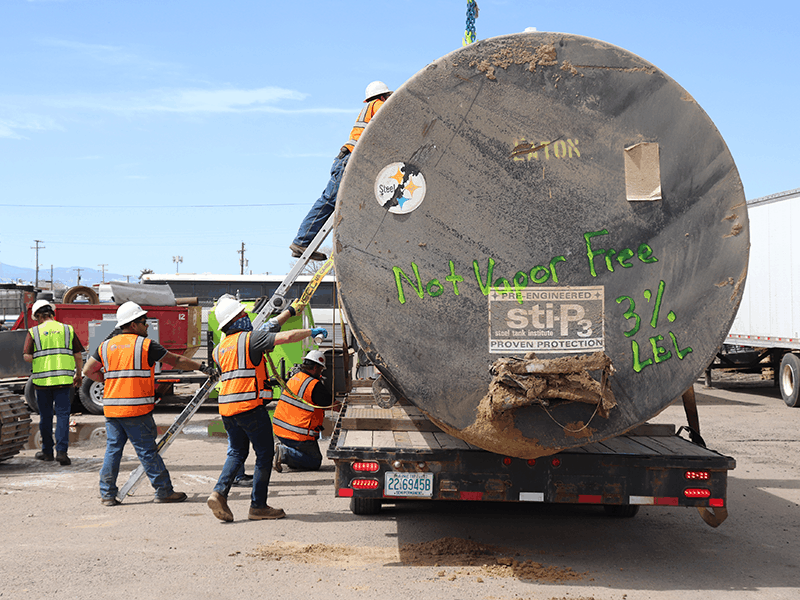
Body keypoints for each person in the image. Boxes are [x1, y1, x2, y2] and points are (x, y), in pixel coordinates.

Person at [206, 296, 328, 522]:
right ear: (236, 319)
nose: (246, 317)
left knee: (236, 452)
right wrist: (311, 332)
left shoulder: (220, 349)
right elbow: (287, 336)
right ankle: (258, 506)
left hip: (227, 410)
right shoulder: (250, 339)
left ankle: (219, 493)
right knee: (264, 454)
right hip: (249, 407)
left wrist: (291, 310)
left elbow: (272, 326)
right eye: (243, 314)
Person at [83, 301, 206, 506]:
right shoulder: (144, 345)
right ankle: (164, 491)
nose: (147, 325)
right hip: (136, 409)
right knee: (147, 451)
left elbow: (88, 371)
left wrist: (107, 380)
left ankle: (107, 494)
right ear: (133, 325)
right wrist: (202, 366)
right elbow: (175, 360)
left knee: (113, 450)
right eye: (144, 321)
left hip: (112, 409)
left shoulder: (105, 346)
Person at [290, 80, 393, 260]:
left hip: (346, 159)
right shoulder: (378, 106)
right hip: (348, 160)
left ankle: (303, 240)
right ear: (383, 96)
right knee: (329, 200)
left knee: (332, 201)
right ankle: (302, 241)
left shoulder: (369, 108)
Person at [22, 299, 85, 466]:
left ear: (38, 316)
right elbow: (78, 356)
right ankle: (62, 453)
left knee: (46, 416)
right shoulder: (67, 329)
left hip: (42, 382)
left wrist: (42, 358)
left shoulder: (34, 332)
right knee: (63, 415)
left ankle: (47, 452)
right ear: (52, 314)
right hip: (64, 381)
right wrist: (78, 374)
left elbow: (27, 357)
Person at [272, 350, 338, 472]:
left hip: (280, 430)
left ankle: (289, 454)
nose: (321, 372)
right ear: (315, 367)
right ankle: (285, 453)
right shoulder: (314, 385)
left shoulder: (296, 377)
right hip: (297, 435)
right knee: (314, 461)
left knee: (303, 459)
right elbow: (333, 405)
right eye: (321, 369)